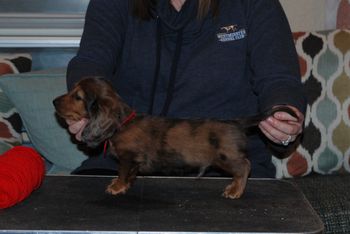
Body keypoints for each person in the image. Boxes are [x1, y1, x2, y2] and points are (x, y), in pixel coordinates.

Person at [66, 0, 306, 178]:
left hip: (220, 165)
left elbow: (279, 77)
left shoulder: (253, 5)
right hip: (126, 162)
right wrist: (86, 107)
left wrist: (283, 111)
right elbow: (91, 62)